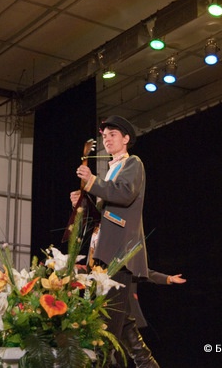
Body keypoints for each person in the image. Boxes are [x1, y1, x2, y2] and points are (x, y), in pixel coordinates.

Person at [70, 115, 157, 368]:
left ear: (126, 139)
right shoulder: (111, 169)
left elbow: (124, 193)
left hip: (119, 253)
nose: (107, 139)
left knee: (108, 326)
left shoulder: (132, 163)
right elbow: (104, 213)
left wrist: (92, 182)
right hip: (105, 253)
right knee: (122, 321)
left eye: (113, 135)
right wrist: (83, 201)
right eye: (105, 136)